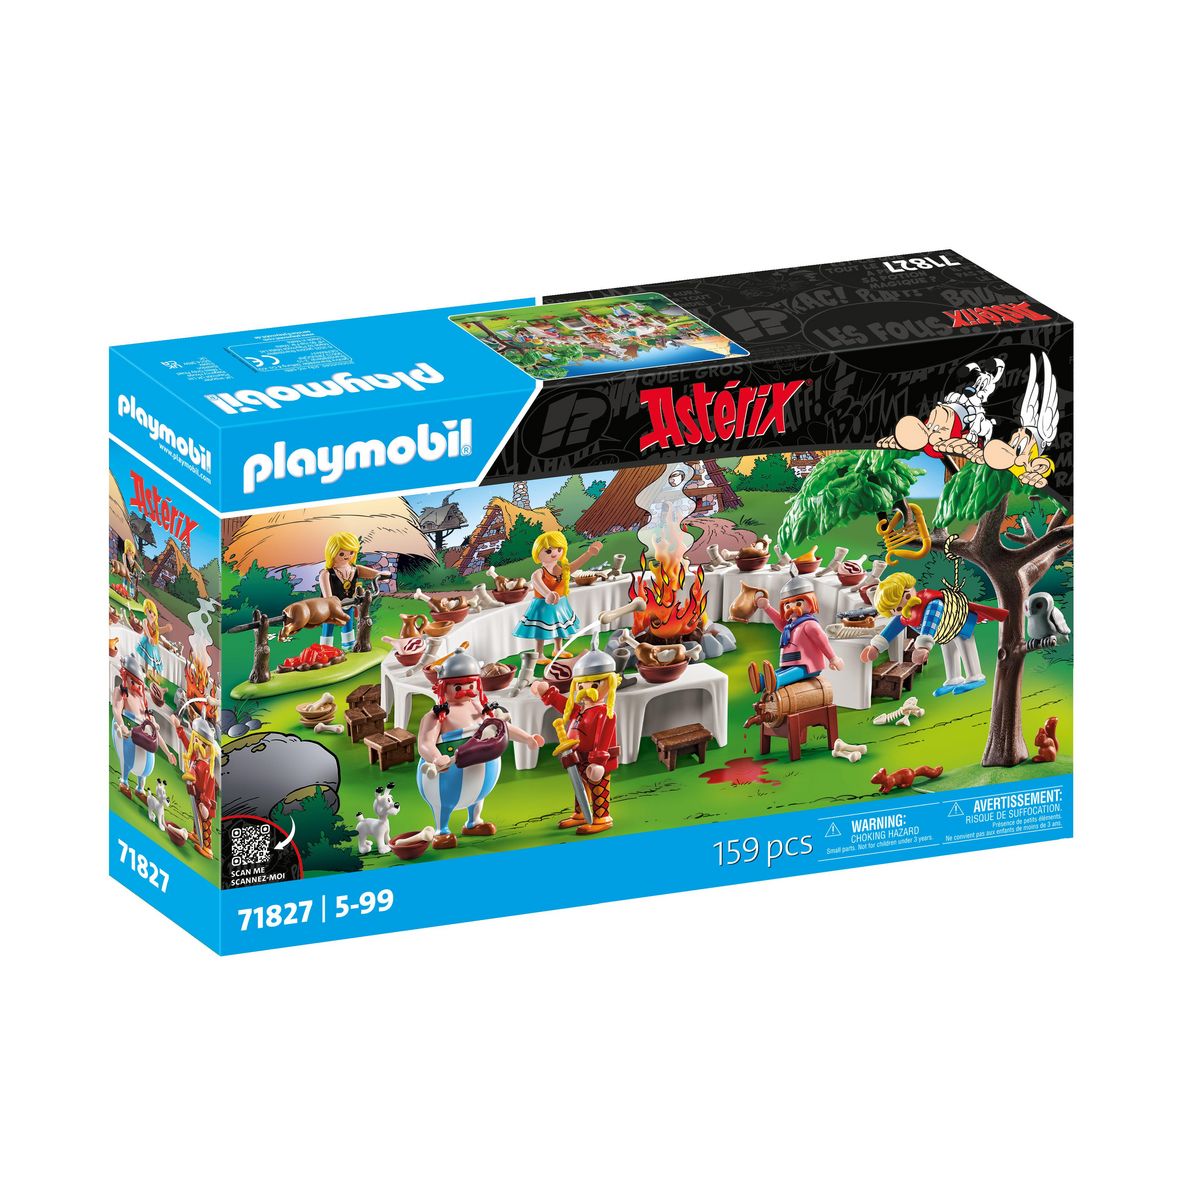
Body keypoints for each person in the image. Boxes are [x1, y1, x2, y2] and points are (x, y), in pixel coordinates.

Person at [416, 650, 543, 849]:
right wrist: (436, 757)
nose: (466, 691)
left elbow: (501, 727)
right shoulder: (438, 715)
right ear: (443, 687)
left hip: (482, 773)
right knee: (444, 801)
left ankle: (473, 822)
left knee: (477, 795)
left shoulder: (480, 708)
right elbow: (425, 743)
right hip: (447, 774)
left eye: (471, 685)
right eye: (459, 687)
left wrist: (527, 738)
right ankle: (442, 830)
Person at [860, 571, 1007, 697]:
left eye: (906, 596)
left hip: (959, 623)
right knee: (948, 649)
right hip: (943, 633)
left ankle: (975, 676)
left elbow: (930, 624)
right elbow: (891, 629)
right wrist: (875, 647)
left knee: (964, 646)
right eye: (896, 608)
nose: (903, 606)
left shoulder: (931, 603)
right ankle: (954, 678)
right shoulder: (904, 616)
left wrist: (923, 647)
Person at [531, 641, 621, 836]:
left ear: (610, 683)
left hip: (597, 760)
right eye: (581, 685)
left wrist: (598, 762)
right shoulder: (580, 710)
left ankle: (602, 817)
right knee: (580, 786)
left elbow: (603, 739)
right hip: (577, 755)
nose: (586, 689)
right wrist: (548, 693)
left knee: (598, 787)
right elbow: (565, 706)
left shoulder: (605, 713)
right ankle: (581, 813)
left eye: (594, 684)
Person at [512, 530, 602, 663]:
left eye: (559, 549)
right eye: (548, 551)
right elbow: (538, 585)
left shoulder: (561, 570)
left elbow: (575, 565)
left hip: (560, 604)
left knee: (559, 627)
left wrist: (589, 553)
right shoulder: (538, 573)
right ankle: (539, 654)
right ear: (538, 553)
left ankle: (558, 649)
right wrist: (548, 594)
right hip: (543, 606)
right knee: (541, 631)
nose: (554, 553)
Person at [754, 575, 843, 687]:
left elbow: (822, 641)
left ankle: (775, 681)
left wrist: (833, 658)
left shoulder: (809, 625)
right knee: (781, 672)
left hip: (807, 665)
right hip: (789, 662)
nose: (792, 608)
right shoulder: (790, 626)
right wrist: (767, 608)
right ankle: (763, 682)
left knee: (788, 674)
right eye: (787, 605)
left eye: (798, 603)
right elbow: (781, 623)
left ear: (811, 601)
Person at [317, 532, 381, 652]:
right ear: (332, 552)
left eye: (351, 552)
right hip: (331, 608)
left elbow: (376, 574)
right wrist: (333, 605)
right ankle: (325, 649)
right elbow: (327, 597)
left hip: (349, 604)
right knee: (328, 626)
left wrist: (382, 575)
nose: (347, 556)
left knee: (348, 624)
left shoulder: (355, 569)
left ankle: (349, 646)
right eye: (342, 553)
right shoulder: (326, 574)